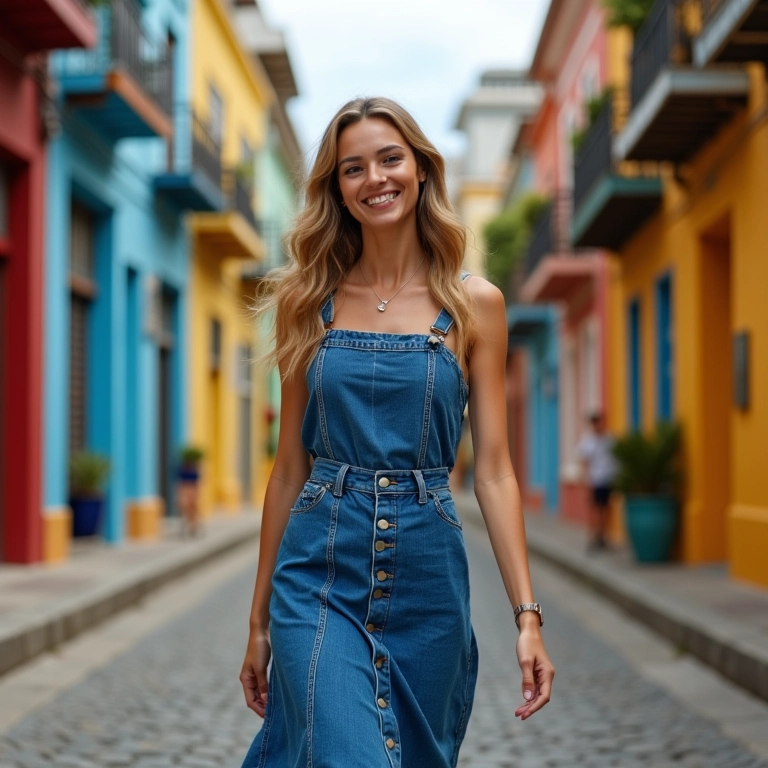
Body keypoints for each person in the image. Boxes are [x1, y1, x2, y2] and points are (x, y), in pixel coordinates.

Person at [238, 97, 554, 768]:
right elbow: (289, 468)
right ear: (337, 190)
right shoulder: (304, 301)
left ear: (421, 169)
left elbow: (494, 469)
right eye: (353, 168)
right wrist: (258, 621)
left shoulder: (476, 305)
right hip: (318, 570)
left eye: (390, 159)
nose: (375, 179)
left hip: (428, 576)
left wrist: (527, 616)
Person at [577, 412, 618, 551]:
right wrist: (586, 482)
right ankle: (594, 537)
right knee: (595, 509)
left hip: (608, 479)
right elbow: (584, 462)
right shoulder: (588, 442)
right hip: (595, 480)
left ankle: (603, 536)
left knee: (606, 509)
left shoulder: (609, 440)